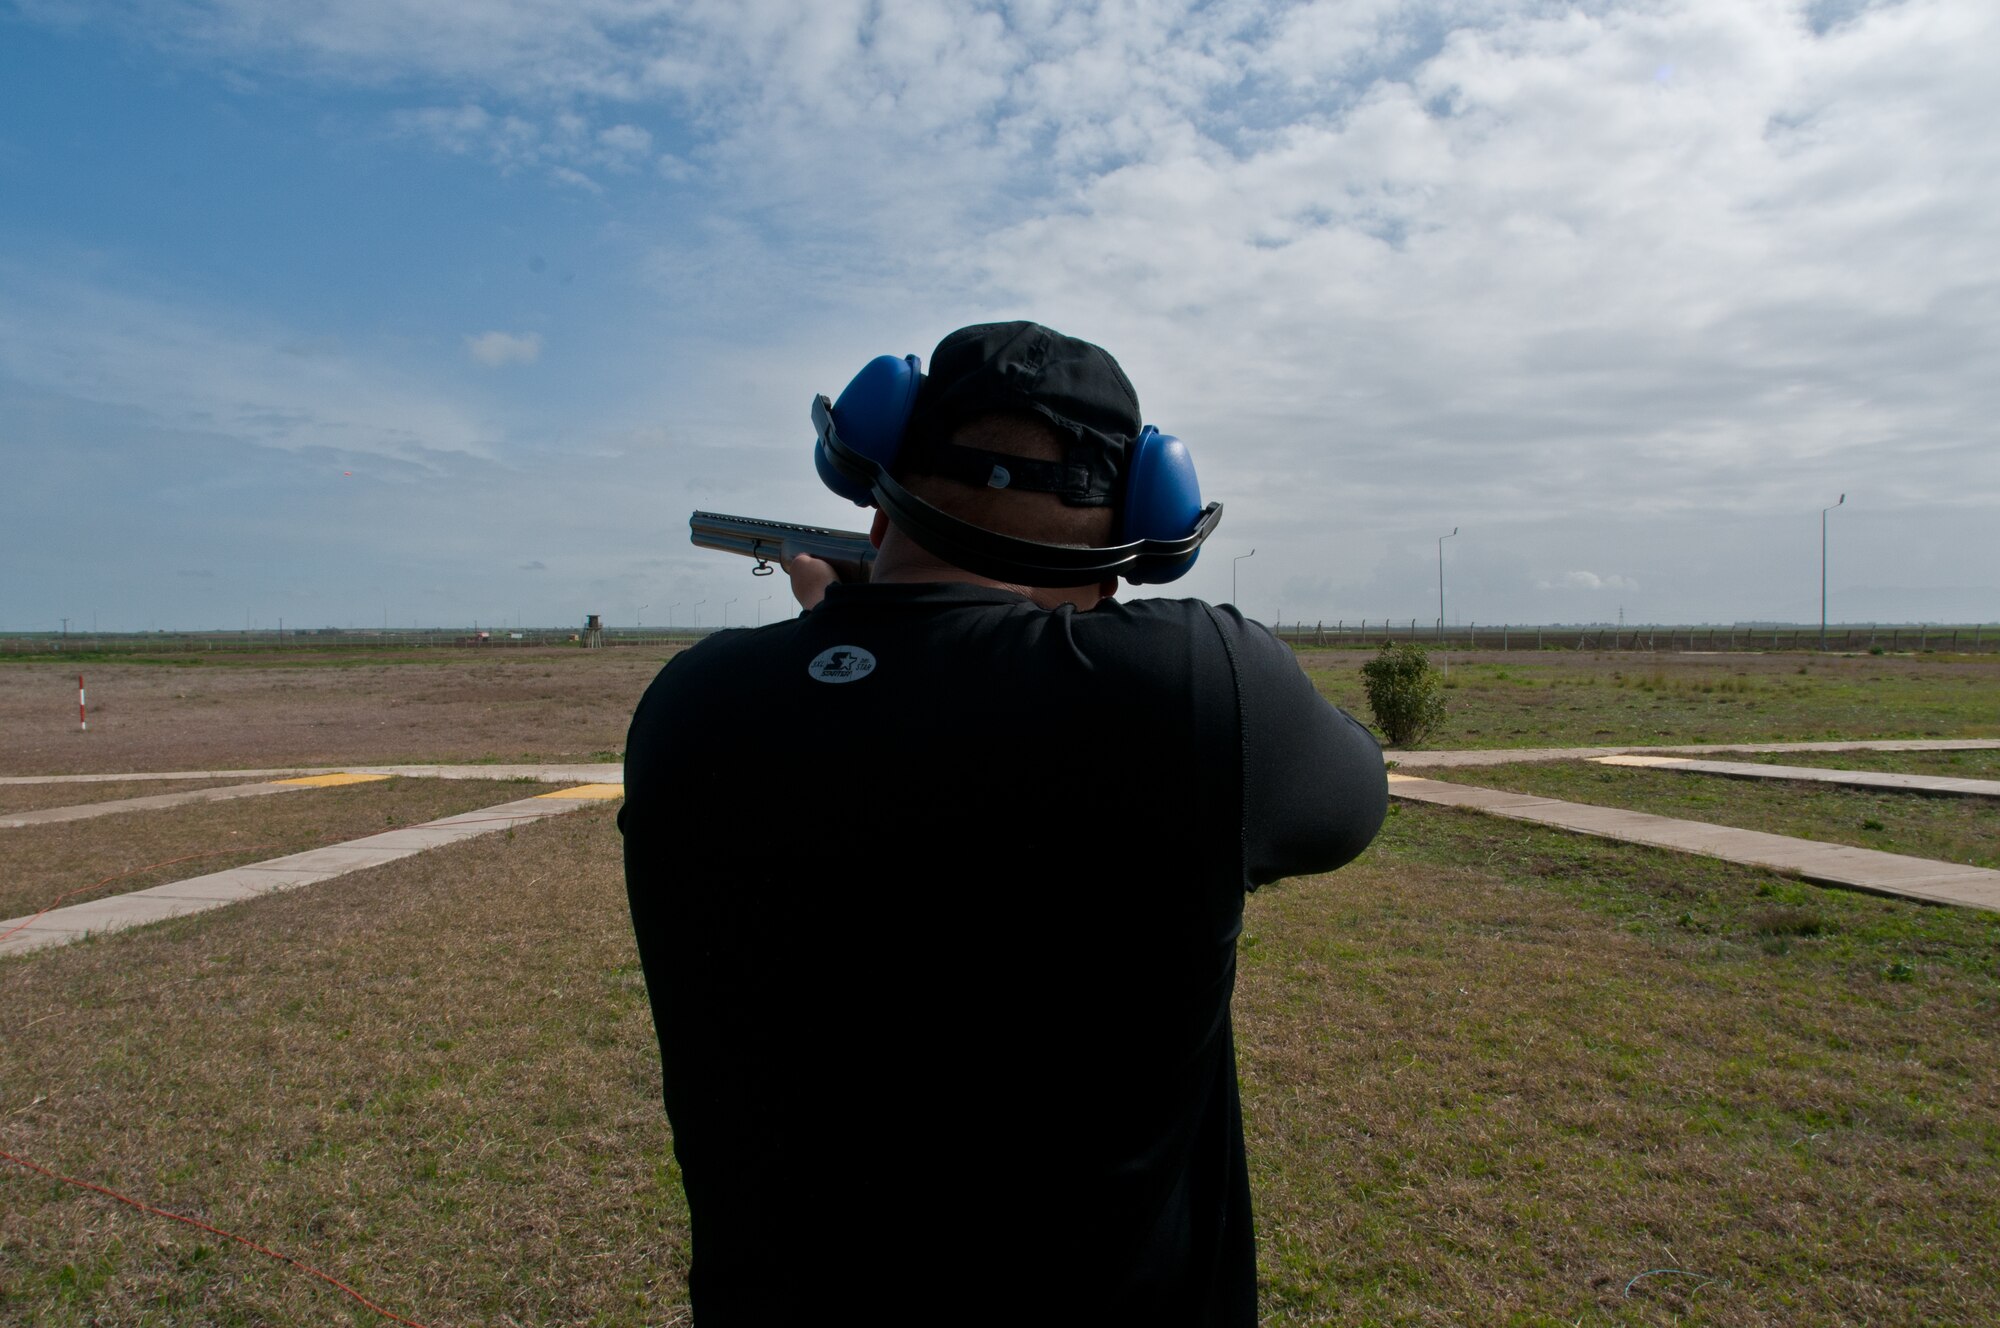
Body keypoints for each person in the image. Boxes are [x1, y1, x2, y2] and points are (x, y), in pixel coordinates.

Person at [620, 321, 1387, 1324]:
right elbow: (1354, 795)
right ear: (1135, 535)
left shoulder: (688, 708)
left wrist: (843, 633)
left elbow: (874, 732)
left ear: (875, 496)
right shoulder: (1194, 687)